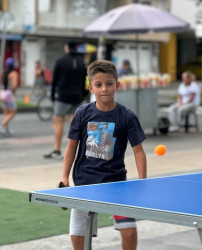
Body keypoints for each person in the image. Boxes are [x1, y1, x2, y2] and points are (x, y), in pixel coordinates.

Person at [60, 60, 147, 250]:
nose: (104, 89)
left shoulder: (127, 116)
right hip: (84, 184)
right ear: (90, 88)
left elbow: (138, 151)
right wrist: (64, 178)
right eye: (98, 85)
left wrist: (143, 181)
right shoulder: (82, 113)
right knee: (77, 237)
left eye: (109, 83)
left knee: (129, 232)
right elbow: (71, 147)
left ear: (117, 85)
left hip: (116, 185)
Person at [44, 40, 87, 159]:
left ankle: (57, 150)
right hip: (77, 97)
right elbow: (84, 81)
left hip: (63, 97)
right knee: (74, 124)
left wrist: (53, 96)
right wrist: (83, 95)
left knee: (58, 124)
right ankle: (77, 150)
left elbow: (55, 81)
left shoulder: (61, 61)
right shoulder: (81, 62)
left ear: (67, 47)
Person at [0, 58, 19, 135]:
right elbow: (15, 85)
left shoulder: (3, 72)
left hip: (2, 93)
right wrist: (13, 92)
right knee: (13, 112)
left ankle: (6, 129)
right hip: (8, 94)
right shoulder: (13, 73)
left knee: (6, 112)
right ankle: (2, 125)